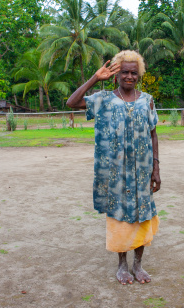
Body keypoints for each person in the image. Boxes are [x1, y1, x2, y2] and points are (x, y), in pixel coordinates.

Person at [67, 50, 161, 285]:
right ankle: (122, 266)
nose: (129, 76)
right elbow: (72, 102)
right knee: (120, 219)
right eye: (125, 72)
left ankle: (138, 265)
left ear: (139, 75)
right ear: (117, 74)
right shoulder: (104, 99)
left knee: (142, 217)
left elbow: (153, 134)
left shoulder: (147, 100)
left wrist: (156, 169)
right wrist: (95, 79)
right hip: (115, 174)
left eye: (134, 72)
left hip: (141, 173)